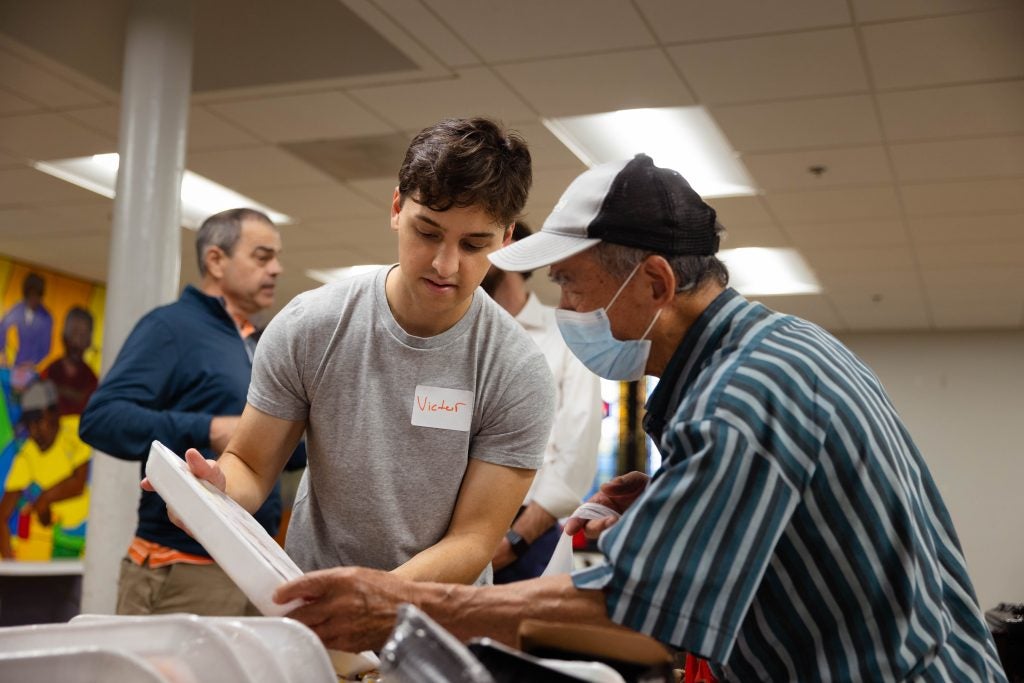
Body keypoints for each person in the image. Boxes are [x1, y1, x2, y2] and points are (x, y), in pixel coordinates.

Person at [270, 154, 1007, 682]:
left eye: (572, 283)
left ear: (653, 282)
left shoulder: (742, 396)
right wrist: (677, 500)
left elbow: (638, 612)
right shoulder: (779, 347)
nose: (564, 310)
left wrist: (403, 603)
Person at [173, 117, 555, 589]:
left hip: (441, 622)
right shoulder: (310, 327)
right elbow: (250, 465)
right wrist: (214, 491)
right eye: (428, 232)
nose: (445, 264)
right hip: (314, 603)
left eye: (474, 244)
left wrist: (375, 598)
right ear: (397, 207)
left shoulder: (517, 370)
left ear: (508, 240)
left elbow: (475, 539)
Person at [79, 208, 291, 615]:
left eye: (277, 258)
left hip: (254, 568)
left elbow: (278, 455)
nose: (277, 269)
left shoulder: (258, 343)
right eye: (262, 257)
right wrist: (209, 428)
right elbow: (102, 419)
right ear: (216, 260)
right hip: (180, 569)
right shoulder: (170, 328)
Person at [481, 221, 602, 582]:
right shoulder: (458, 337)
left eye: (476, 245)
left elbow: (575, 457)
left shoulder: (565, 337)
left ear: (511, 252)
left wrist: (515, 541)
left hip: (530, 537)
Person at [0, 379, 90, 560]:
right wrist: (11, 566)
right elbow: (2, 516)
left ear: (54, 413)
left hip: (94, 526)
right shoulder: (26, 456)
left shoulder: (75, 430)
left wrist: (44, 498)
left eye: (39, 421)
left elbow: (78, 482)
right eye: (29, 424)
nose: (35, 431)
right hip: (64, 537)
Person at [41, 307, 98, 416]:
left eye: (83, 336)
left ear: (89, 342)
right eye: (73, 333)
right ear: (63, 336)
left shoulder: (92, 382)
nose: (77, 342)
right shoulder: (48, 373)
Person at [0, 272, 53, 370]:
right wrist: (2, 352)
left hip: (31, 367)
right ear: (26, 295)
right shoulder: (18, 309)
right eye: (30, 296)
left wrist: (33, 362)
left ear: (41, 296)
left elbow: (45, 347)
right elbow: (2, 327)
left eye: (36, 296)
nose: (33, 300)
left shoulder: (46, 317)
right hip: (15, 363)